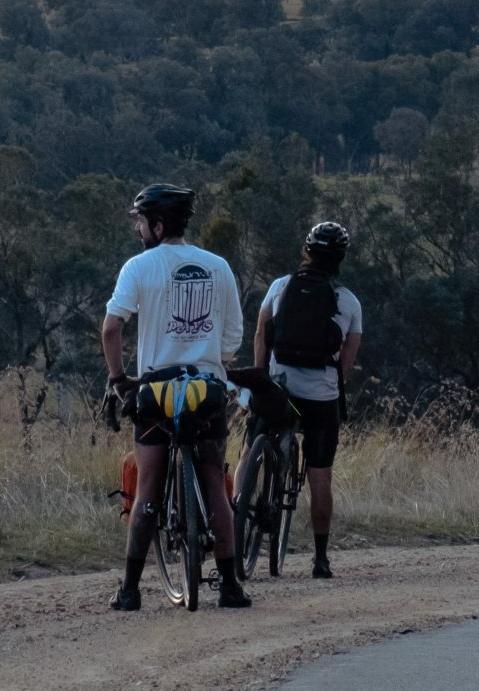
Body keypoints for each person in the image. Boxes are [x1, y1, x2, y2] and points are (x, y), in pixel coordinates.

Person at [102, 181, 250, 611]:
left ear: (158, 224)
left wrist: (118, 378)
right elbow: (233, 337)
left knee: (148, 486)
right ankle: (229, 586)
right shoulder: (218, 266)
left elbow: (112, 328)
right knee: (213, 482)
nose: (138, 230)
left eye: (141, 222)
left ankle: (130, 591)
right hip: (206, 390)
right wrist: (213, 359)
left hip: (156, 391)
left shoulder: (139, 267)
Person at [252, 220, 364, 579]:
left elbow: (260, 333)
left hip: (278, 386)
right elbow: (347, 360)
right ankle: (320, 559)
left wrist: (261, 379)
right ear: (341, 258)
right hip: (321, 398)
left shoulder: (281, 287)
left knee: (250, 445)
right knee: (320, 476)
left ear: (307, 251)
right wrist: (329, 386)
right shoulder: (349, 301)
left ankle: (242, 502)